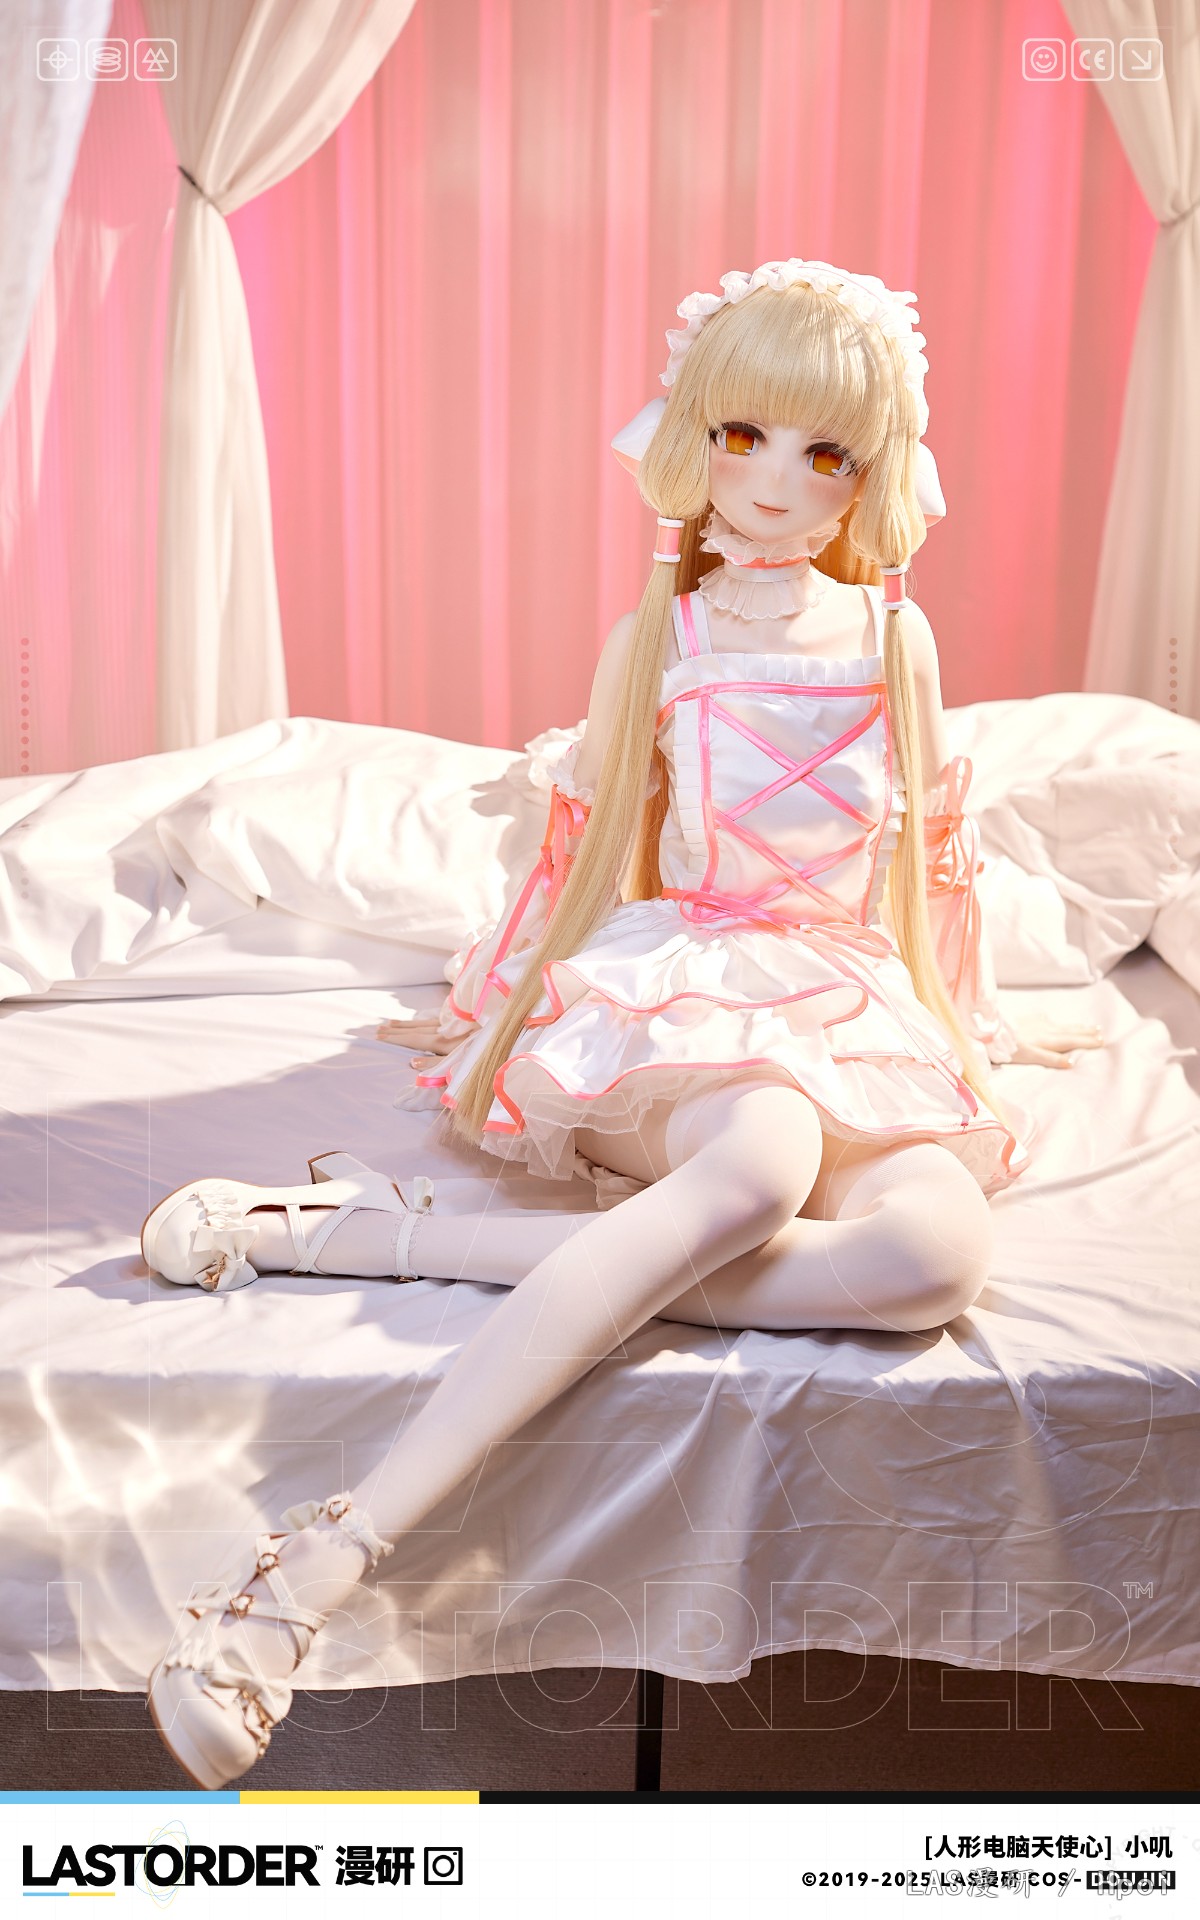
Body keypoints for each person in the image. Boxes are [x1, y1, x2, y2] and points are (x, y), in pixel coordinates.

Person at [139, 259, 1104, 1789]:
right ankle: (314, 1571)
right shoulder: (667, 634)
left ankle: (358, 1233)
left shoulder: (892, 641)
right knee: (760, 1166)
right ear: (692, 436)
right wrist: (495, 1014)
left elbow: (929, 863)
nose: (775, 482)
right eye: (742, 435)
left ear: (871, 471)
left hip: (849, 991)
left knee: (933, 1260)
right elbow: (581, 855)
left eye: (824, 452)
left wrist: (972, 1029)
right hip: (701, 977)